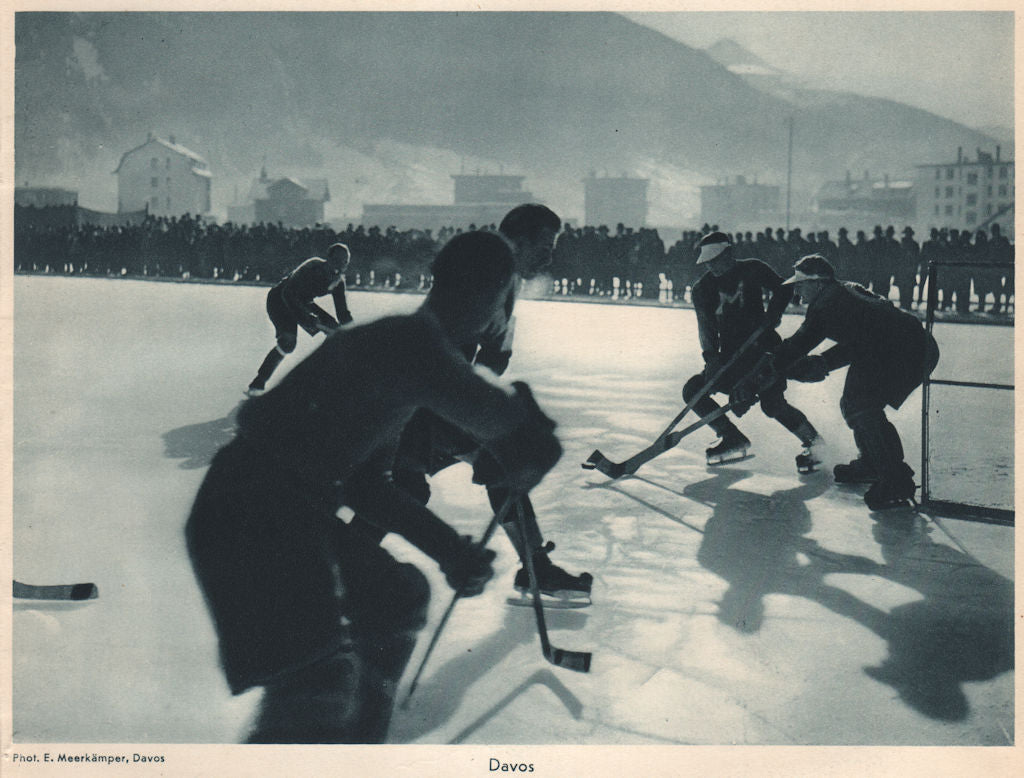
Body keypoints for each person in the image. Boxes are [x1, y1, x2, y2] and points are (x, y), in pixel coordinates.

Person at [186, 231, 562, 743]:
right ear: (494, 294)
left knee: (395, 597)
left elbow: (368, 489)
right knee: (314, 683)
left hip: (264, 508)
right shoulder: (412, 345)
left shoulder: (403, 351)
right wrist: (526, 433)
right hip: (252, 513)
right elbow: (504, 422)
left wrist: (450, 550)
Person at [354, 204, 592, 605]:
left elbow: (491, 359)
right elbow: (444, 350)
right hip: (421, 397)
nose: (550, 255)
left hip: (434, 397)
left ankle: (535, 568)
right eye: (545, 245)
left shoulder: (506, 279)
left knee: (413, 486)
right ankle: (341, 566)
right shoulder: (484, 275)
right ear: (520, 241)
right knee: (417, 484)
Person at [774, 254, 940, 510]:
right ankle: (874, 464)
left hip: (906, 350)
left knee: (861, 406)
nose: (796, 289)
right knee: (855, 404)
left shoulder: (825, 304)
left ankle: (895, 479)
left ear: (818, 283)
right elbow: (863, 338)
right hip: (901, 345)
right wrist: (821, 362)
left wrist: (772, 366)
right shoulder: (843, 291)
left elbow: (798, 345)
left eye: (800, 283)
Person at [683, 231, 820, 471]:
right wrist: (711, 358)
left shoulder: (752, 269)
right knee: (694, 390)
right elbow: (705, 328)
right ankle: (731, 437)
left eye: (715, 259)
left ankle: (815, 443)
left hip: (764, 351)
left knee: (773, 404)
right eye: (707, 261)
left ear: (729, 253)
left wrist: (773, 314)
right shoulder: (702, 289)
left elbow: (783, 288)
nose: (711, 265)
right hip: (730, 358)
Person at [245, 242, 354, 396]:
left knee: (336, 333)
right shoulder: (312, 266)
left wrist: (356, 332)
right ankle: (259, 382)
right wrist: (307, 317)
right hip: (280, 300)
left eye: (345, 263)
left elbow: (343, 314)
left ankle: (316, 379)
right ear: (327, 259)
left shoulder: (338, 282)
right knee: (288, 342)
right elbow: (288, 293)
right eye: (336, 261)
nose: (339, 267)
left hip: (303, 303)